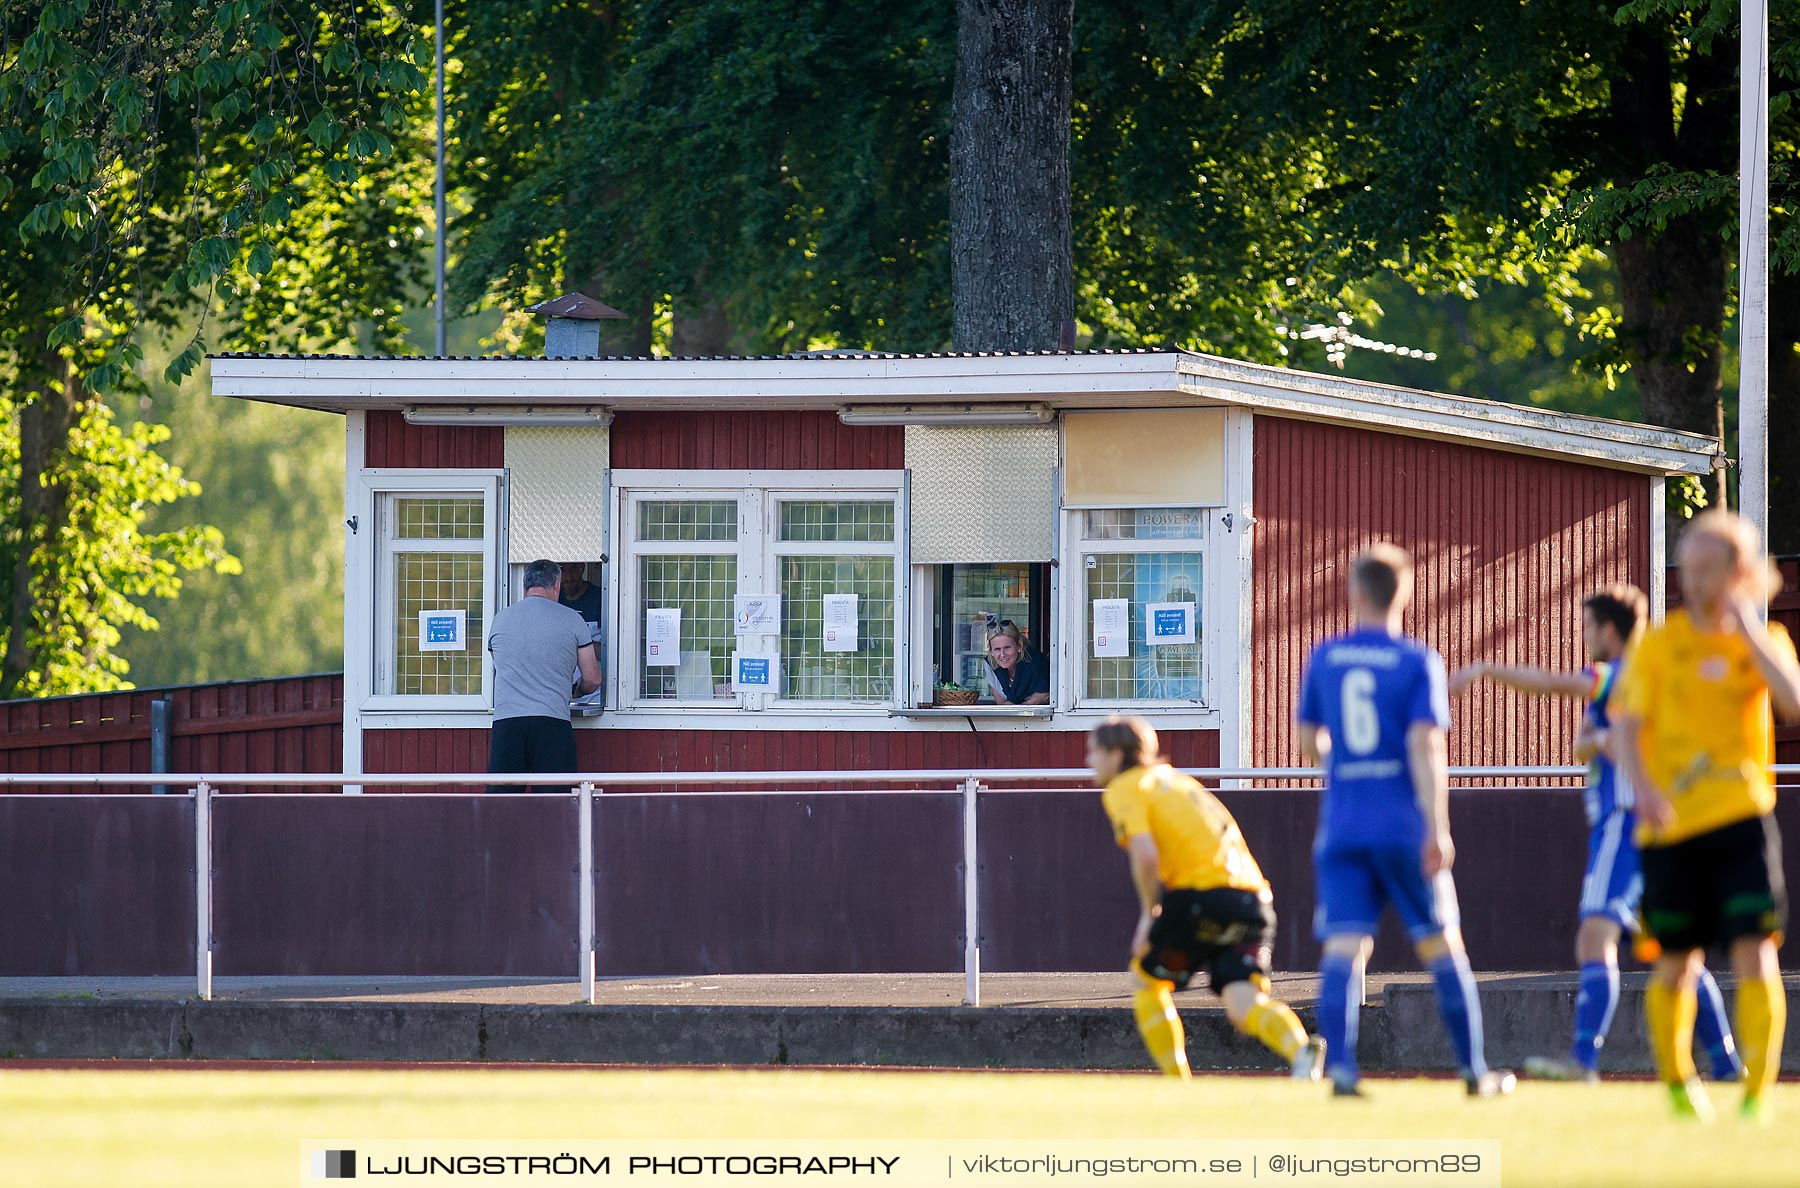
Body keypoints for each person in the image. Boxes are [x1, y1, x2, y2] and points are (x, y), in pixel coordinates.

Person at [1450, 585, 1741, 1084]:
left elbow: (1551, 686)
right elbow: (1588, 742)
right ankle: (1727, 1062)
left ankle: (1584, 1061)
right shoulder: (1653, 678)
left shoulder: (1618, 674)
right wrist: (1599, 740)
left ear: (1609, 631)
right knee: (1677, 951)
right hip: (1662, 828)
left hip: (1625, 826)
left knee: (1595, 937)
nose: (1584, 637)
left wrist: (1487, 670)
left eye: (1587, 627)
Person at [1297, 543, 1513, 1098]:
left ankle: (1342, 1071)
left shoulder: (1325, 656)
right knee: (1442, 944)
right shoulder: (1418, 661)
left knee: (1343, 948)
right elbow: (1424, 744)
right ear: (1406, 594)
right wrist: (1437, 826)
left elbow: (1307, 740)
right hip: (1402, 826)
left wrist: (1345, 769)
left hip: (1343, 827)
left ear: (1356, 593)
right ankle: (1474, 1072)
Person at [1611, 511, 1799, 1122]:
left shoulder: (1763, 638)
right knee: (1676, 961)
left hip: (1742, 820)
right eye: (1685, 570)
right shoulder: (1661, 645)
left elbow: (1792, 705)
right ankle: (1677, 1084)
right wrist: (1644, 790)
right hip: (1670, 828)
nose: (1692, 582)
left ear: (1737, 573)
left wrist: (1748, 630)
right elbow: (1626, 726)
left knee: (1756, 954)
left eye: (1706, 570)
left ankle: (1755, 1094)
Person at [1090, 714, 1326, 1081]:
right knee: (1242, 1003)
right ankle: (1301, 1050)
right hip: (1252, 901)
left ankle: (1178, 1082)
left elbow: (1146, 855)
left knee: (1147, 981)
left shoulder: (1125, 788)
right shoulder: (1179, 782)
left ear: (1117, 755)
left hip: (1201, 895)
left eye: (1095, 753)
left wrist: (1150, 915)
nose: (1090, 762)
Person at [486, 559, 602, 793]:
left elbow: (499, 663)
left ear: (524, 587)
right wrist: (574, 691)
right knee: (556, 805)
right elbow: (592, 678)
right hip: (552, 723)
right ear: (556, 585)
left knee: (501, 805)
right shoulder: (572, 619)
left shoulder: (500, 619)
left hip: (507, 724)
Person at [985, 620, 1049, 705]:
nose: (1002, 654)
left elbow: (1044, 695)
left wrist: (1022, 708)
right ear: (991, 651)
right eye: (997, 649)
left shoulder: (1037, 662)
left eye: (1007, 647)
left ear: (1019, 645)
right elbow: (1002, 704)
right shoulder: (990, 664)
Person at [557, 561, 603, 628]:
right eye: (562, 569)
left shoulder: (601, 598)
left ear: (582, 568)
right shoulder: (552, 600)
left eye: (574, 568)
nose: (569, 577)